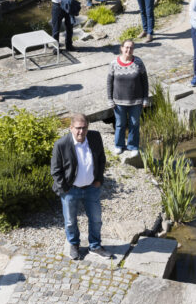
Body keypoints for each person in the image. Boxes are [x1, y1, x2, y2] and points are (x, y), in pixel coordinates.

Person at [50, 114, 114, 261]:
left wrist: (98, 179)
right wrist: (65, 188)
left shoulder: (95, 137)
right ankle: (74, 245)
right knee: (71, 221)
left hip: (92, 188)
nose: (81, 132)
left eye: (84, 128)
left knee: (96, 219)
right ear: (71, 128)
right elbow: (55, 170)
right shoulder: (61, 144)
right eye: (78, 128)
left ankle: (95, 246)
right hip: (71, 190)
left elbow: (101, 159)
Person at [107, 39, 149, 155]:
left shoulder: (139, 63)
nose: (128, 50)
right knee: (120, 124)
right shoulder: (114, 63)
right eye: (126, 47)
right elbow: (109, 82)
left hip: (136, 102)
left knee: (134, 124)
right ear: (121, 48)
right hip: (119, 102)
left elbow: (145, 81)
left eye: (131, 48)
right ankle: (119, 145)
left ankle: (133, 146)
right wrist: (109, 99)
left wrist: (146, 98)